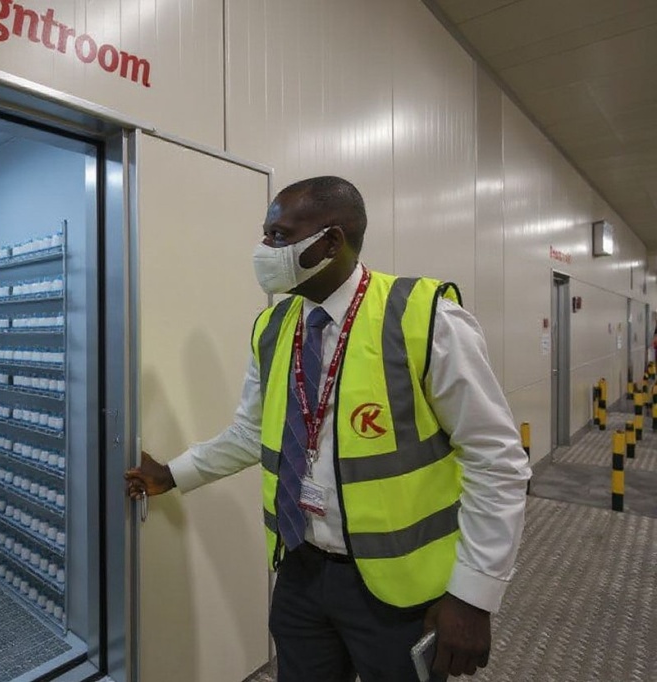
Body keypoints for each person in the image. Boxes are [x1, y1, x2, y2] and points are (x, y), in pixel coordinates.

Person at [124, 176, 530, 681]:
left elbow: (497, 461)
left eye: (279, 235)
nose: (264, 249)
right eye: (266, 234)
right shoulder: (274, 328)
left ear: (330, 242)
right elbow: (252, 434)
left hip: (397, 590)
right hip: (300, 570)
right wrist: (173, 473)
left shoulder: (425, 319)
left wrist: (474, 593)